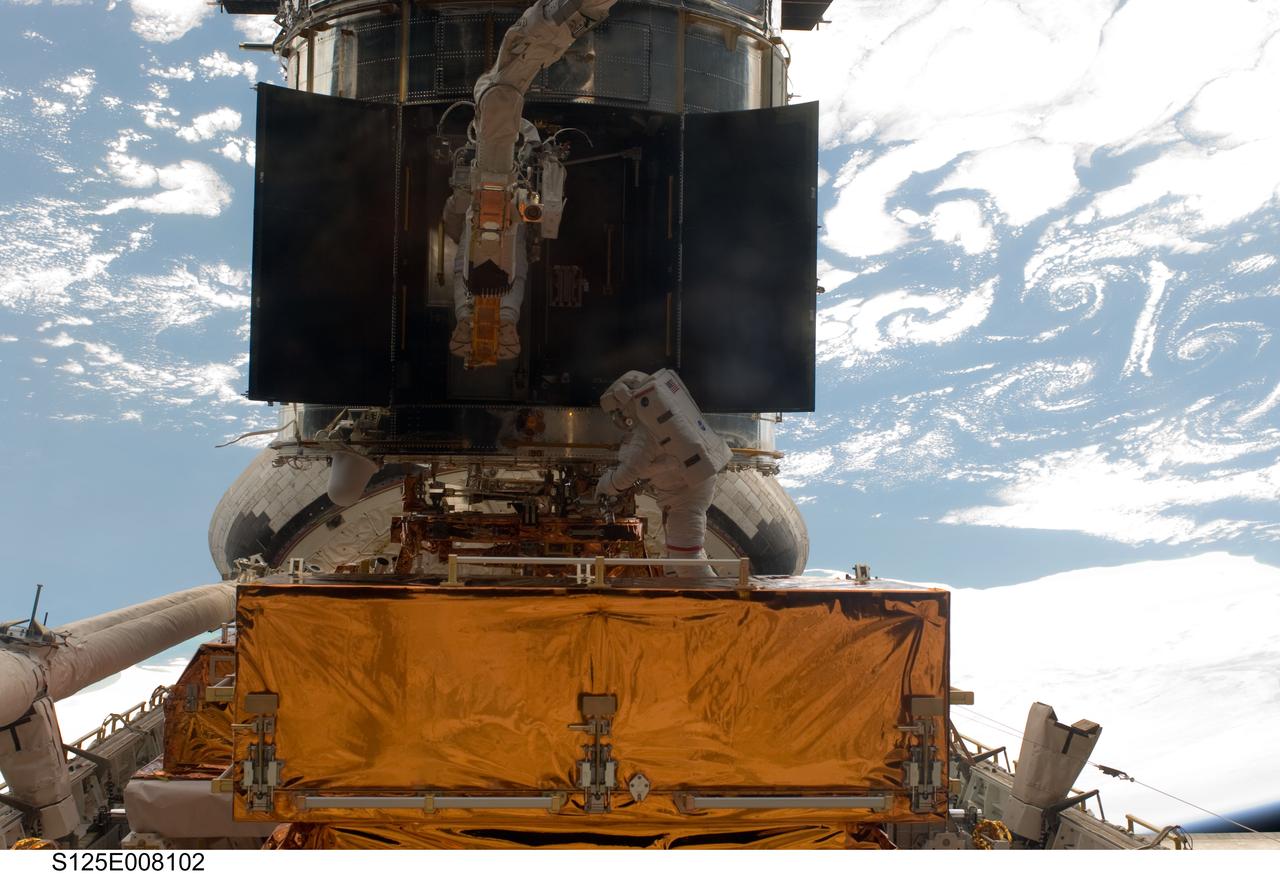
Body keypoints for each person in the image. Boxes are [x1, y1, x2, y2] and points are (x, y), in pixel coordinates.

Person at [594, 370, 730, 578]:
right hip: (689, 490)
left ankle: (716, 601)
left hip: (685, 496)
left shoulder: (646, 432)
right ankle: (683, 597)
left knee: (686, 560)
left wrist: (605, 486)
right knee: (677, 558)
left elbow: (627, 474)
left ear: (626, 403)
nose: (619, 419)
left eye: (618, 412)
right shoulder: (661, 420)